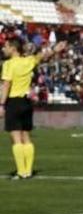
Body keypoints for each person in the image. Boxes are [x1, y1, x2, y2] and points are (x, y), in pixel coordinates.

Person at [0, 38, 66, 179]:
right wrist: (55, 49)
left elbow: (6, 85)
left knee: (16, 138)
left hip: (13, 101)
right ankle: (28, 171)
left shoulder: (8, 64)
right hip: (26, 102)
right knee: (26, 137)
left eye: (6, 46)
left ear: (13, 48)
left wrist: (1, 104)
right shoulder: (28, 61)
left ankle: (21, 172)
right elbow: (42, 56)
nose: (3, 49)